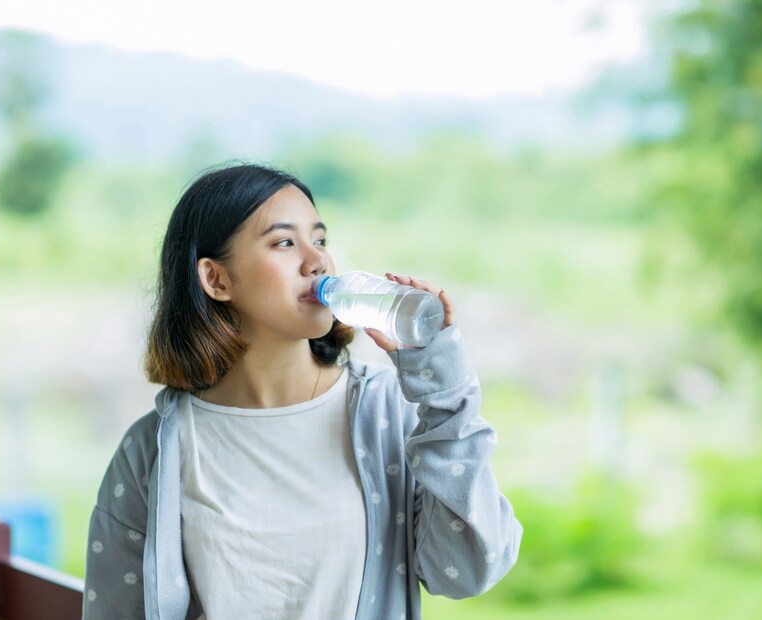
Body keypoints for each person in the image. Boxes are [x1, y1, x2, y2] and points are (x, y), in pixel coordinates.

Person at [82, 163, 522, 620]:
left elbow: (467, 570)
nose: (318, 262)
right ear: (216, 279)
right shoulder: (153, 451)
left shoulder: (386, 412)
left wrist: (444, 396)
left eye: (321, 240)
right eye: (284, 242)